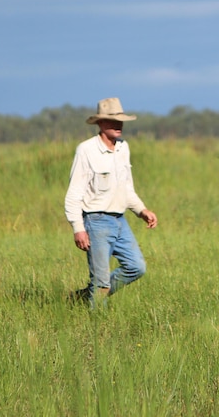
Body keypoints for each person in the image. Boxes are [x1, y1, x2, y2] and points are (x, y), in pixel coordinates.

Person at [64, 97, 158, 306]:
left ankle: (80, 299)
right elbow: (73, 194)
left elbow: (126, 188)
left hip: (120, 220)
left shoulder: (123, 147)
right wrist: (78, 228)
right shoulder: (86, 150)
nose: (118, 125)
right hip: (96, 222)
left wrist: (142, 211)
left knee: (136, 267)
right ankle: (98, 327)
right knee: (101, 282)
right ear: (100, 123)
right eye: (111, 120)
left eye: (120, 120)